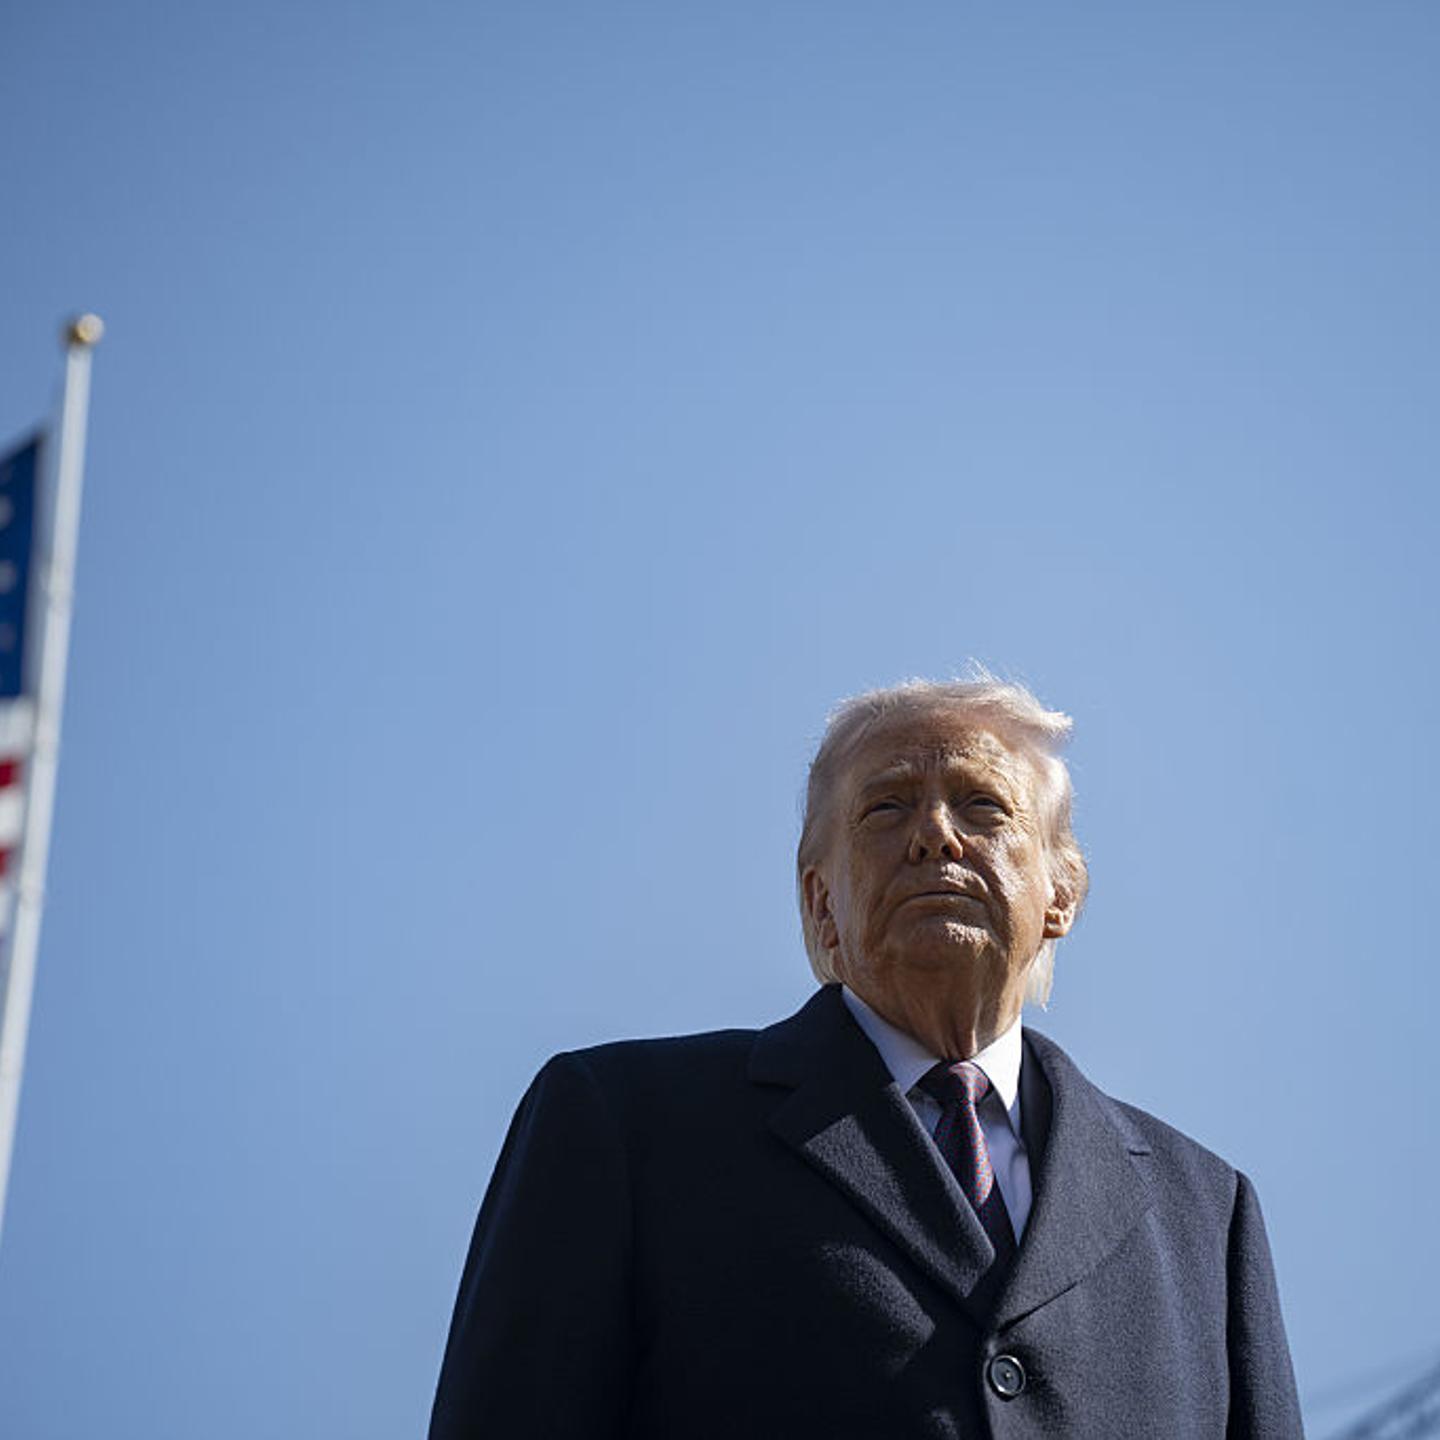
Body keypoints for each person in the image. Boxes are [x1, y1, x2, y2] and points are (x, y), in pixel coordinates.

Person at [430, 676, 1304, 1438]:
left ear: (1062, 892)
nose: (934, 835)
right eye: (886, 808)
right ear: (820, 905)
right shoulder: (626, 1124)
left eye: (983, 806)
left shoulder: (1204, 1213)